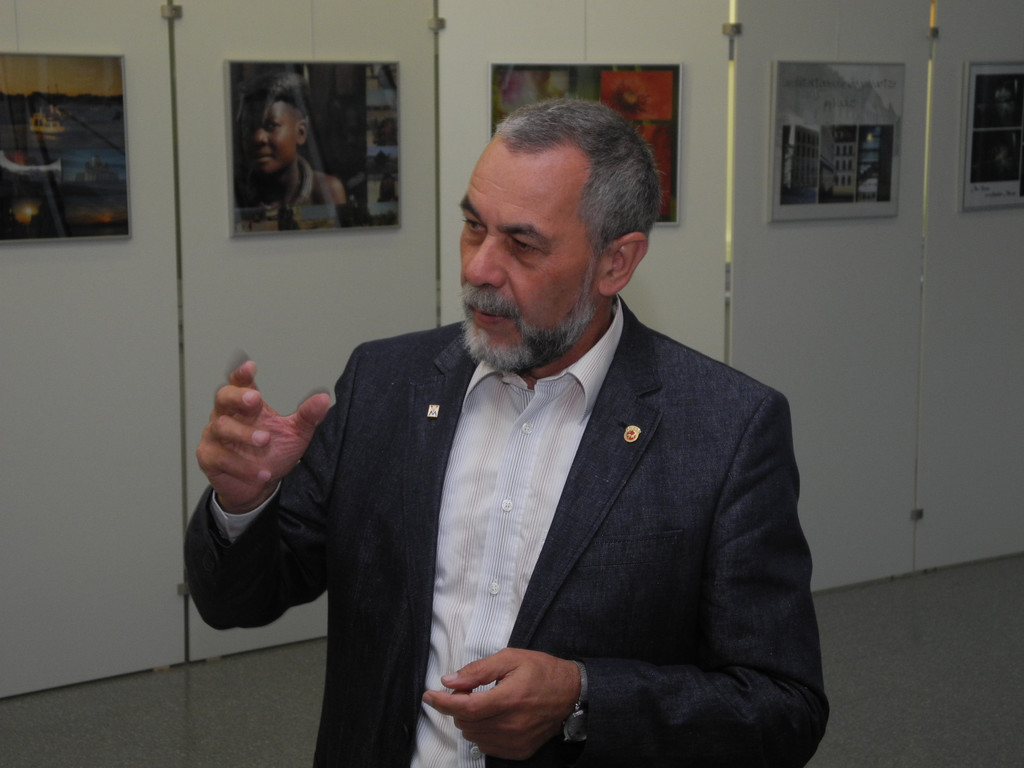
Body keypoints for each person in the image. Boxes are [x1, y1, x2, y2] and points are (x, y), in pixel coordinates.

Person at [187, 98, 828, 767]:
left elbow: (783, 709)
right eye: (473, 227)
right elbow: (238, 601)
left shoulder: (725, 431)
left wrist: (584, 700)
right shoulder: (385, 384)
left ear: (616, 263)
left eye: (522, 245)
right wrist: (243, 504)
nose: (479, 269)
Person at [233, 70, 347, 221]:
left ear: (301, 133)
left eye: (271, 125)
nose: (258, 138)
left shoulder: (326, 191)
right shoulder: (235, 195)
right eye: (249, 128)